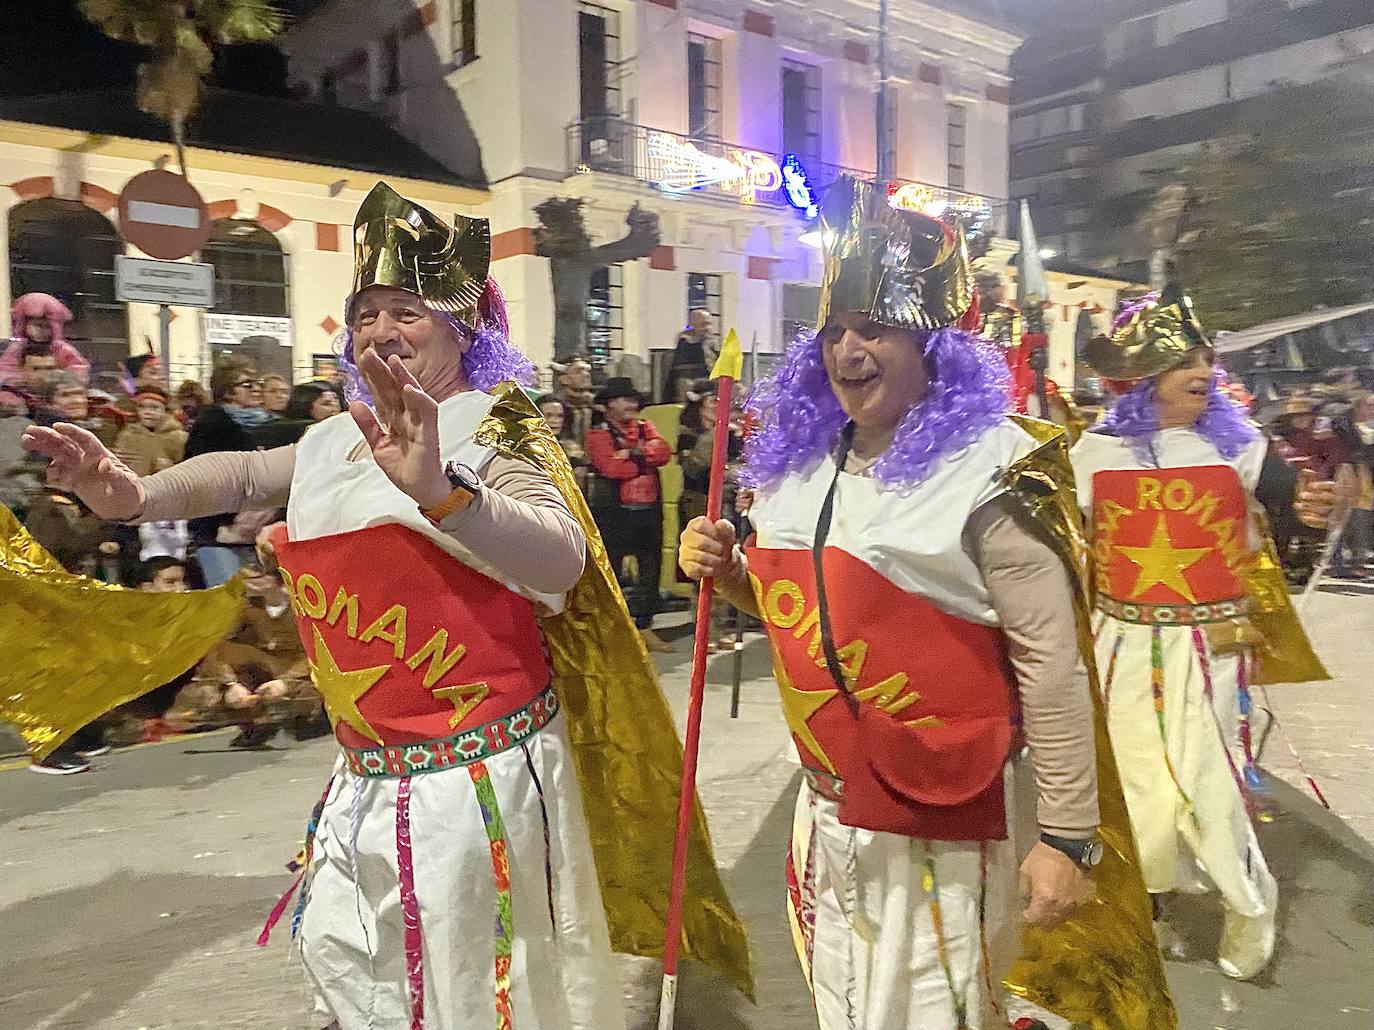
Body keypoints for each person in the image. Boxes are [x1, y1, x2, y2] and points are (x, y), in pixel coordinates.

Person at [23, 180, 749, 1027]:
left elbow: (560, 558)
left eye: (406, 309)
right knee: (362, 977)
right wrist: (133, 495)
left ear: (463, 322)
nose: (380, 330)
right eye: (366, 313)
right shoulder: (342, 432)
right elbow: (248, 473)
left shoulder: (494, 422)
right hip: (367, 769)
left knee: (479, 992)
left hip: (482, 776)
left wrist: (445, 490)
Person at [678, 176, 1173, 1029]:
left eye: (873, 328)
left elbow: (1050, 662)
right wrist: (730, 574)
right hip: (826, 808)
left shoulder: (992, 468)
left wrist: (1065, 836)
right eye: (834, 329)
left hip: (944, 815)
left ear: (934, 346)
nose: (846, 349)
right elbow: (807, 615)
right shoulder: (800, 466)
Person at [1073, 285, 1332, 980]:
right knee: (1134, 784)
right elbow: (1063, 543)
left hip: (1211, 649)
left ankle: (1251, 903)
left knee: (1210, 781)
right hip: (1120, 644)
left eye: (1205, 356)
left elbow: (1295, 506)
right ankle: (1144, 899)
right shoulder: (1093, 452)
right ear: (1144, 374)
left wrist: (1313, 511)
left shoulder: (1239, 444)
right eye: (1185, 357)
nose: (1202, 368)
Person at [585, 377, 674, 652]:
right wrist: (642, 458)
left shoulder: (646, 428)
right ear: (609, 404)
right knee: (610, 569)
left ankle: (645, 626)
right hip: (615, 513)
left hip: (648, 510)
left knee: (651, 569)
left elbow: (664, 453)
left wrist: (631, 454)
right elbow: (611, 468)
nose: (630, 405)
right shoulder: (598, 432)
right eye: (624, 399)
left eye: (633, 400)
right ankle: (611, 631)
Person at [1, 293, 89, 386]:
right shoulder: (18, 348)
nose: (42, 331)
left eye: (48, 327)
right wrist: (20, 379)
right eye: (37, 325)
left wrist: (59, 377)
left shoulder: (61, 349)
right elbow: (5, 369)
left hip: (55, 393)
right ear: (23, 324)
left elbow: (80, 370)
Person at [113, 385, 187, 477]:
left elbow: (186, 471)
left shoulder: (179, 438)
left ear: (164, 410)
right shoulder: (127, 436)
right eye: (142, 407)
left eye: (154, 407)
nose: (148, 412)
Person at [663, 308, 716, 403]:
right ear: (693, 325)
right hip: (692, 382)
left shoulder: (713, 342)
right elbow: (682, 372)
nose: (707, 328)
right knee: (686, 386)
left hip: (712, 381)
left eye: (709, 324)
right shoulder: (686, 341)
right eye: (703, 324)